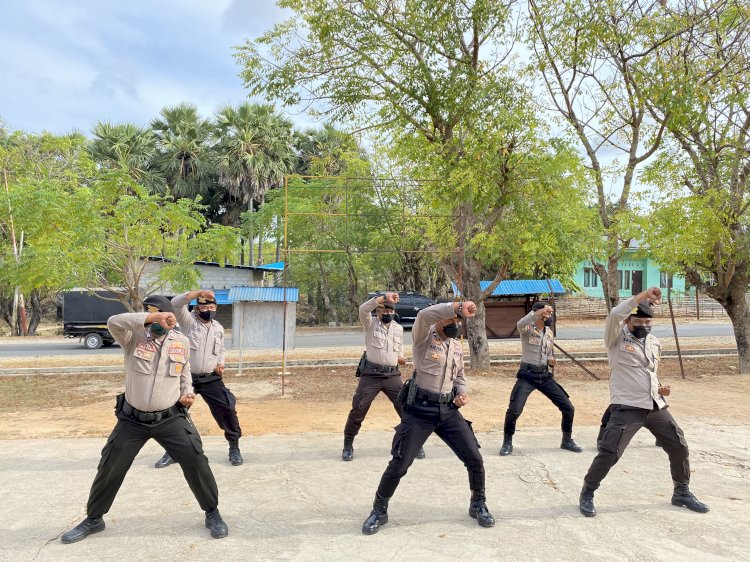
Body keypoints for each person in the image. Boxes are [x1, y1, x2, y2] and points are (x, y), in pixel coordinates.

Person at [61, 295, 228, 543]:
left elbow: (185, 375)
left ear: (172, 318)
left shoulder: (181, 341)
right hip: (133, 420)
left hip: (170, 418)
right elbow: (114, 321)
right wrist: (150, 318)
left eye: (163, 316)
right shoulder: (133, 337)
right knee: (110, 465)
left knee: (196, 459)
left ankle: (212, 513)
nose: (159, 322)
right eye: (152, 317)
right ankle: (94, 519)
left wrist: (187, 393)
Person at [361, 300, 494, 534]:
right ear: (440, 319)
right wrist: (456, 306)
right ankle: (379, 509)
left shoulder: (455, 345)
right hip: (420, 410)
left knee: (475, 458)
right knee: (400, 463)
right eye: (451, 319)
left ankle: (478, 503)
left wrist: (462, 393)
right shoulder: (424, 335)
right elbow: (423, 313)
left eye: (457, 321)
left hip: (448, 410)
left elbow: (460, 376)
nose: (455, 324)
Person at [579, 287, 709, 517]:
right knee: (610, 452)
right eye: (638, 321)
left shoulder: (654, 342)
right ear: (629, 320)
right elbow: (614, 315)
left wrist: (660, 388)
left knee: (679, 446)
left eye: (648, 323)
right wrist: (644, 295)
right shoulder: (615, 338)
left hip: (655, 405)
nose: (644, 326)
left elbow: (647, 372)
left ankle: (682, 491)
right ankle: (588, 492)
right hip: (627, 407)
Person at [154, 290, 244, 468]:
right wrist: (195, 293)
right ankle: (171, 451)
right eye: (204, 307)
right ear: (196, 309)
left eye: (211, 307)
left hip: (211, 378)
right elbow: (176, 304)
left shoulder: (218, 327)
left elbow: (221, 350)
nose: (208, 310)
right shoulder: (188, 322)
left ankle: (234, 447)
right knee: (174, 412)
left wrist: (221, 363)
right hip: (186, 377)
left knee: (227, 407)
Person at [342, 292, 424, 461]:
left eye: (390, 311)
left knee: (406, 407)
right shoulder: (370, 324)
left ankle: (414, 443)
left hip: (392, 375)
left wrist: (401, 358)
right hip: (371, 375)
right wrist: (383, 298)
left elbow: (399, 349)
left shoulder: (398, 329)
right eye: (384, 311)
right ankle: (348, 444)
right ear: (378, 312)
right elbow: (363, 309)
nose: (387, 314)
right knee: (359, 408)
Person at [499, 301, 581, 456]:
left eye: (550, 314)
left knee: (568, 408)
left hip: (544, 376)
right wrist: (538, 312)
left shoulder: (549, 333)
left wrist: (551, 360)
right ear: (538, 314)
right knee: (514, 410)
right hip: (527, 376)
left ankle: (567, 440)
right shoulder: (527, 329)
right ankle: (507, 442)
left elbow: (549, 352)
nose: (549, 316)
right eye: (546, 314)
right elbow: (520, 323)